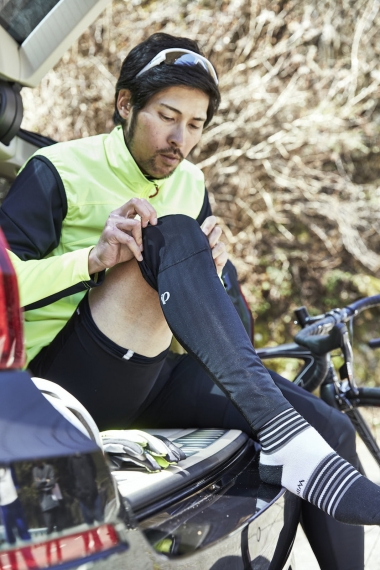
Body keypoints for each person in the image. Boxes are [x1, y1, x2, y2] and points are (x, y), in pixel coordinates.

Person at [1, 32, 379, 569]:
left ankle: (295, 442)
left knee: (333, 428)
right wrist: (93, 259)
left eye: (196, 126)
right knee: (171, 234)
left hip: (154, 374)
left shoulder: (192, 182)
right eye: (167, 115)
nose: (179, 139)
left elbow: (236, 329)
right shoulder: (59, 169)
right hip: (66, 383)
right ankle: (282, 436)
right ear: (125, 104)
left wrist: (214, 273)